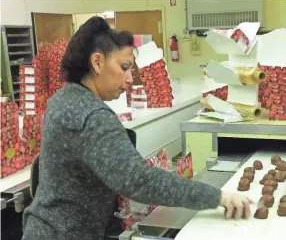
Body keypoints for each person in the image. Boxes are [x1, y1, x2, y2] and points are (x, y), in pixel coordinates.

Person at [22, 16, 253, 240]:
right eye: (124, 67)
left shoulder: (64, 100)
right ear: (97, 63)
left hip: (44, 227)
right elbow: (138, 180)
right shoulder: (91, 116)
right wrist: (217, 196)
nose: (131, 78)